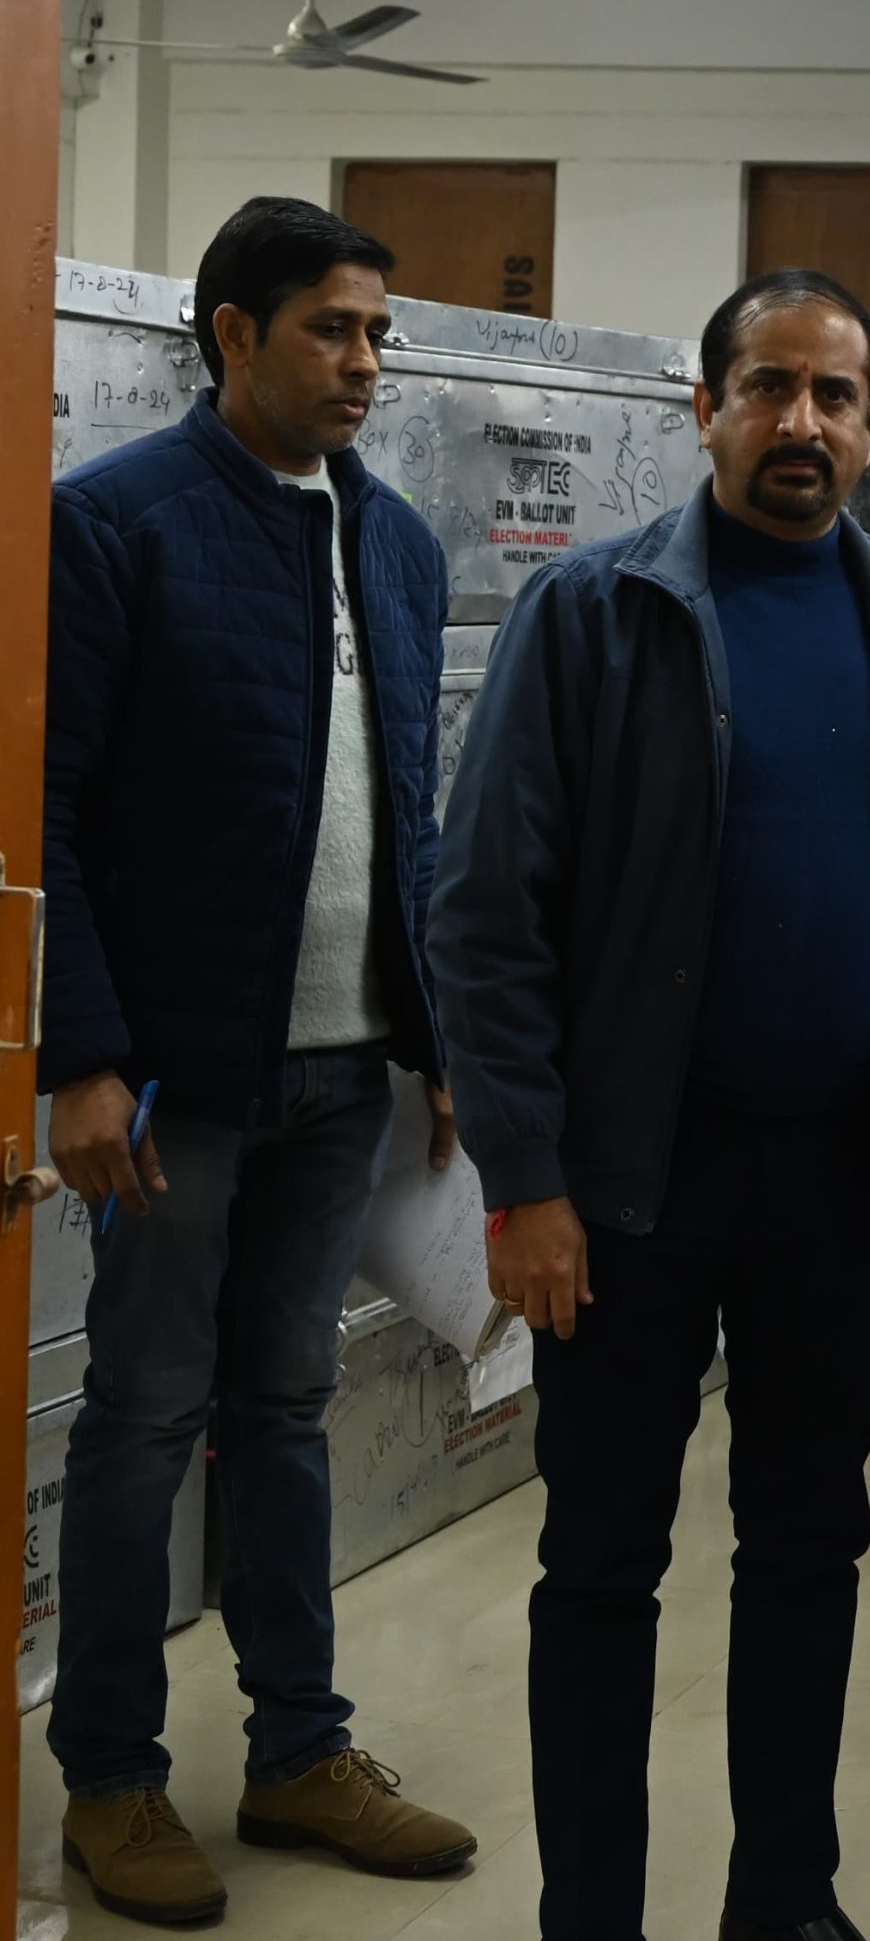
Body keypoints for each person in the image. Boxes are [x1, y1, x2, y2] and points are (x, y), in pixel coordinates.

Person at [429, 268, 870, 1941]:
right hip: (631, 1180)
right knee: (601, 1562)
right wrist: (526, 1176)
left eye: (836, 396)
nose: (801, 422)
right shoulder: (595, 614)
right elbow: (485, 911)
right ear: (706, 409)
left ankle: (786, 1897)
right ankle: (592, 1917)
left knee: (810, 1548)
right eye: (769, 386)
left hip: (845, 1174)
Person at [38, 196, 477, 1926]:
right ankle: (110, 1782)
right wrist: (82, 1056)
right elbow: (46, 816)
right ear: (232, 331)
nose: (365, 363)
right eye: (330, 329)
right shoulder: (117, 525)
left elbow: (410, 819)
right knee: (143, 1420)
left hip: (342, 1069)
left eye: (379, 334)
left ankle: (300, 1749)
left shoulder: (398, 543)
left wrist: (437, 1039)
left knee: (288, 1414)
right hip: (176, 1086)